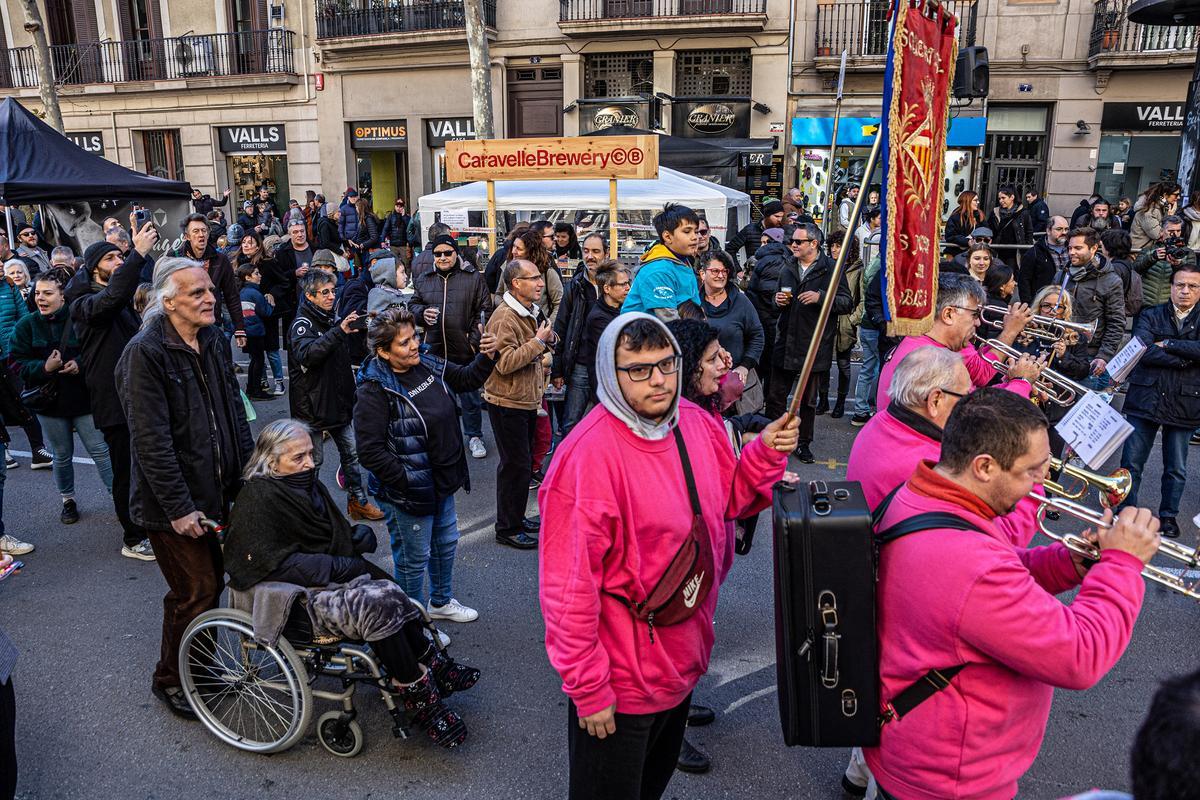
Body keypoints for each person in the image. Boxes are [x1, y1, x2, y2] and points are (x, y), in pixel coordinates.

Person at [539, 312, 796, 800]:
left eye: (667, 364)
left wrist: (763, 453)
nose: (658, 380)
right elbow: (567, 591)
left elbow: (731, 500)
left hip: (682, 662)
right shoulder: (585, 459)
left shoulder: (696, 425)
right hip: (620, 684)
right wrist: (588, 689)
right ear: (608, 374)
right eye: (637, 369)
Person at [866, 388, 1158, 800]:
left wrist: (1064, 563)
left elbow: (991, 574)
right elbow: (1081, 656)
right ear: (984, 466)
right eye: (1032, 472)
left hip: (917, 748)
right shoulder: (972, 565)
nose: (1042, 484)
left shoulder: (922, 492)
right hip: (951, 779)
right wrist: (1122, 565)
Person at [222, 419, 477, 749]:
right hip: (292, 594)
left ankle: (430, 663)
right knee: (378, 605)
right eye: (298, 458)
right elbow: (268, 561)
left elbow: (330, 533)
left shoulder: (307, 485)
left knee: (392, 590)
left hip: (321, 576)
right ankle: (418, 694)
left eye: (311, 455)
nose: (310, 464)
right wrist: (337, 564)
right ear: (272, 461)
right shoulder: (258, 496)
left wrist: (352, 539)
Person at [116, 257, 254, 719]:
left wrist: (250, 473)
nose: (210, 298)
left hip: (218, 490)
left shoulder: (211, 339)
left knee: (211, 587)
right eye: (197, 293)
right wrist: (178, 507)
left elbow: (234, 409)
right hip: (172, 505)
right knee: (194, 590)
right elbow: (151, 442)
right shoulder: (145, 352)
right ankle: (172, 680)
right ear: (167, 301)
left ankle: (201, 670)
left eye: (210, 290)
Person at [355, 306, 498, 623]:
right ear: (384, 352)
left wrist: (487, 357)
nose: (414, 345)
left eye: (414, 337)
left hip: (443, 481)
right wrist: (408, 480)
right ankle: (412, 625)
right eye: (404, 343)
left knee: (446, 544)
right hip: (410, 492)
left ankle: (440, 602)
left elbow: (463, 379)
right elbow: (370, 451)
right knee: (413, 558)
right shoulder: (374, 389)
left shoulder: (426, 362)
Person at [64, 230, 158, 560]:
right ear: (93, 269)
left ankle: (149, 524)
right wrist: (137, 254)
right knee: (126, 470)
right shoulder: (85, 305)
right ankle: (133, 538)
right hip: (113, 401)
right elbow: (113, 298)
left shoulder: (113, 298)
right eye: (111, 258)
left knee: (147, 465)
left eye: (120, 257)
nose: (118, 262)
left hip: (136, 396)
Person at [10, 270, 114, 525]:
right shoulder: (27, 325)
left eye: (47, 293)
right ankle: (68, 500)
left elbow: (97, 353)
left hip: (83, 399)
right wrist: (44, 368)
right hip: (49, 404)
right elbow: (16, 365)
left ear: (63, 296)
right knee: (62, 455)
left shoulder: (79, 319)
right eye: (37, 293)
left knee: (101, 451)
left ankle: (120, 498)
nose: (40, 299)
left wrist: (79, 364)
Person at [288, 270, 383, 522]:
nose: (331, 296)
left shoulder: (331, 318)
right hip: (312, 407)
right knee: (313, 462)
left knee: (352, 455)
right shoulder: (302, 324)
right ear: (309, 296)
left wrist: (357, 324)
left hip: (338, 403)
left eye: (333, 291)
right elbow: (307, 354)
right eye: (325, 292)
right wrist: (339, 331)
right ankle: (309, 513)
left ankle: (358, 502)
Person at [1118, 263, 1200, 540]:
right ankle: (1126, 511)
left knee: (1176, 466)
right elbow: (1142, 349)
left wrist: (1170, 344)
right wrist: (1188, 358)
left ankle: (1168, 516)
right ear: (1171, 287)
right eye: (1180, 285)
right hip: (1146, 396)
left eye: (1192, 286)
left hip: (1185, 400)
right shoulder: (1150, 314)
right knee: (1132, 461)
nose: (1185, 291)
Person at [874, 273, 1039, 409]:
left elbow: (971, 398)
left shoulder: (926, 343)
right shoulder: (930, 360)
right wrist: (1021, 383)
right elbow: (981, 421)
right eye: (974, 315)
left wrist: (1008, 383)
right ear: (948, 314)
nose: (978, 322)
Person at [484, 259, 557, 550]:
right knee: (514, 466)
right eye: (534, 278)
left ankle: (516, 517)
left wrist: (547, 340)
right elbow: (505, 363)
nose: (541, 283)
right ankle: (507, 528)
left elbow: (535, 344)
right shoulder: (505, 317)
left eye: (540, 277)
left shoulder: (529, 311)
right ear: (516, 283)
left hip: (524, 400)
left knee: (522, 464)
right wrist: (539, 343)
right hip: (507, 401)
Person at [765, 223, 852, 463]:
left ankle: (803, 444)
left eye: (798, 241)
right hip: (785, 340)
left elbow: (847, 302)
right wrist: (777, 300)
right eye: (792, 241)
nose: (793, 244)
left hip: (814, 344)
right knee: (776, 397)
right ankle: (774, 440)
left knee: (808, 402)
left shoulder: (831, 269)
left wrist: (821, 298)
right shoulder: (788, 266)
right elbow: (775, 299)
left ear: (813, 244)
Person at [847, 347, 972, 509]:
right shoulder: (931, 467)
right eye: (966, 396)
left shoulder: (881, 420)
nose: (970, 405)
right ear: (935, 401)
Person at [409, 234, 492, 459]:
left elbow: (484, 310)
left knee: (470, 398)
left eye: (447, 253)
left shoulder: (473, 277)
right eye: (438, 254)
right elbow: (413, 304)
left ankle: (474, 436)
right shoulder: (425, 278)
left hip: (464, 349)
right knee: (438, 400)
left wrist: (472, 341)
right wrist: (421, 314)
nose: (443, 257)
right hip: (434, 350)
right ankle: (445, 439)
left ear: (456, 253)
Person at [1053, 227, 1125, 388]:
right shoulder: (1061, 275)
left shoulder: (1111, 281)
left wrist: (1104, 356)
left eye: (1078, 248)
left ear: (1093, 249)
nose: (1071, 252)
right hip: (1061, 350)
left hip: (1090, 355)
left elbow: (1116, 322)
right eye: (1070, 248)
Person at [552, 232, 605, 436]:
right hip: (581, 365)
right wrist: (557, 370)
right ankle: (567, 464)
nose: (590, 256)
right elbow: (561, 327)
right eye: (586, 251)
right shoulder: (574, 287)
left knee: (606, 420)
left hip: (607, 365)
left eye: (595, 251)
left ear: (606, 254)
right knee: (571, 422)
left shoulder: (617, 287)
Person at [170, 213, 245, 346]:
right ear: (187, 236)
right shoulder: (175, 259)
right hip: (184, 325)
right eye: (196, 231)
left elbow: (231, 295)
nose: (201, 235)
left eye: (204, 230)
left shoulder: (220, 260)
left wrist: (239, 328)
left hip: (212, 323)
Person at [699, 249, 763, 402]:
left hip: (734, 384)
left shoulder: (741, 302)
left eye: (724, 271)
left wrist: (745, 366)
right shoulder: (693, 303)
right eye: (715, 271)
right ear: (702, 274)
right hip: (701, 385)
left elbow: (757, 336)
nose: (721, 276)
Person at [624, 205, 701, 318]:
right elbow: (669, 319)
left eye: (696, 231)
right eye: (687, 231)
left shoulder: (683, 261)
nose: (695, 237)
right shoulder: (658, 270)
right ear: (667, 237)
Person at [235, 229, 286, 396]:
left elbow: (283, 283)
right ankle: (260, 382)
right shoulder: (239, 262)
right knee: (255, 354)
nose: (246, 246)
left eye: (250, 243)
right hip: (249, 315)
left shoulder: (268, 263)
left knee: (271, 351)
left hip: (267, 313)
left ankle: (279, 381)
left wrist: (272, 293)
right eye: (244, 242)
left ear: (258, 246)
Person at [745, 219, 792, 392]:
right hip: (774, 317)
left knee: (762, 360)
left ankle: (760, 398)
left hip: (765, 317)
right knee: (770, 361)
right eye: (761, 242)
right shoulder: (786, 259)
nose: (761, 246)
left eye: (765, 242)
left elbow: (760, 291)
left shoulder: (766, 261)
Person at [580, 262, 631, 403]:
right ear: (607, 288)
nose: (628, 288)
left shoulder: (622, 309)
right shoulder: (598, 317)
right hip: (607, 386)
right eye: (622, 284)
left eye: (628, 283)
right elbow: (617, 349)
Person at [1134, 214, 1196, 309]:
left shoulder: (1188, 253)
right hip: (1146, 304)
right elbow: (1135, 270)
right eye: (1171, 231)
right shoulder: (1149, 250)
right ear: (1162, 231)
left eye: (1178, 231)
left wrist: (1178, 264)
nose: (1175, 234)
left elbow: (1191, 278)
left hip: (1171, 307)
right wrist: (1152, 257)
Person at [237, 262, 274, 401]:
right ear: (247, 277)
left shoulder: (243, 292)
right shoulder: (254, 292)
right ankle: (256, 390)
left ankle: (251, 388)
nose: (260, 276)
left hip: (247, 330)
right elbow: (266, 312)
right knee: (258, 361)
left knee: (255, 360)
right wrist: (271, 302)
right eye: (256, 273)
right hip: (255, 331)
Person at [1018, 215, 1071, 300]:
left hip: (1068, 301)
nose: (1064, 232)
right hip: (1043, 302)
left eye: (1066, 229)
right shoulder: (1034, 253)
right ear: (1048, 230)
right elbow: (1024, 281)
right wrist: (1028, 305)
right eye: (1059, 229)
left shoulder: (1072, 249)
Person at [725, 200, 786, 266]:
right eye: (776, 216)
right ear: (767, 216)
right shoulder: (750, 230)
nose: (779, 219)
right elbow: (730, 248)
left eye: (781, 216)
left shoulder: (782, 231)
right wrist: (738, 269)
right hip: (754, 271)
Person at [1130, 181, 1181, 251]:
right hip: (1139, 252)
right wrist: (1170, 217)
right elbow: (1157, 234)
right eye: (1176, 194)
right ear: (1165, 195)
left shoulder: (1161, 208)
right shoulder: (1148, 210)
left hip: (1149, 251)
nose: (1178, 197)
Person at [986, 185, 1033, 256]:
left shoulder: (1023, 213)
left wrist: (1027, 250)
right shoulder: (995, 212)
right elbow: (989, 229)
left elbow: (1029, 232)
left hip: (1015, 252)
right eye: (999, 198)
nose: (1001, 201)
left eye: (1003, 198)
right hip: (997, 250)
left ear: (1012, 197)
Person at [366, 248, 411, 315]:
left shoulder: (393, 293)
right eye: (402, 272)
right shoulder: (379, 294)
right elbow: (375, 321)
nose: (406, 276)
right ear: (390, 274)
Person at [380, 198, 411, 264]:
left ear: (404, 207)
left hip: (404, 245)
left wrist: (404, 216)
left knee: (407, 264)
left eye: (401, 206)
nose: (399, 208)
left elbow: (410, 227)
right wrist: (382, 240)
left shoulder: (407, 217)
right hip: (393, 245)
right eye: (397, 206)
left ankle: (407, 275)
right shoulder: (391, 216)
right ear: (395, 206)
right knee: (394, 264)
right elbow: (385, 228)